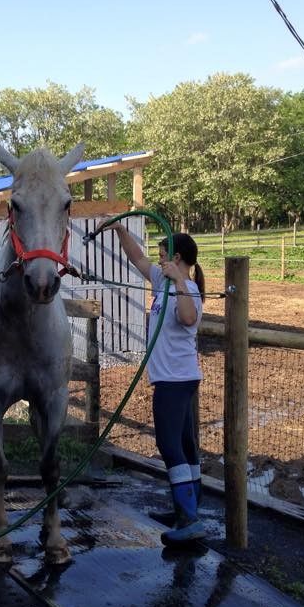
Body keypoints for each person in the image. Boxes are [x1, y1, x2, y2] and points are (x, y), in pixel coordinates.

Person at [99, 220, 206, 544]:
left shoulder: (190, 291)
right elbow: (137, 258)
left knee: (169, 445)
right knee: (186, 445)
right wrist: (119, 231)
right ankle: (185, 508)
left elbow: (188, 318)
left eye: (164, 256)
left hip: (176, 379)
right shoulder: (162, 280)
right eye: (159, 255)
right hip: (173, 378)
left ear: (179, 260)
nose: (158, 261)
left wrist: (180, 282)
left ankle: (189, 518)